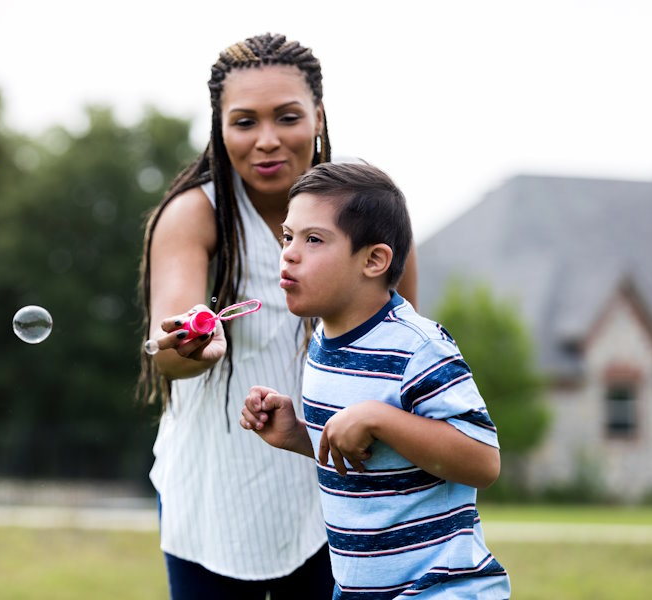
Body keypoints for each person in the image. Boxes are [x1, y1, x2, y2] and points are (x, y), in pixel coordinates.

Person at [137, 34, 417, 599]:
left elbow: (405, 356)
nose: (266, 141)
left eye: (287, 116)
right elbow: (167, 349)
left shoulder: (372, 218)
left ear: (318, 115)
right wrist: (196, 346)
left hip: (334, 494)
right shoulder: (196, 214)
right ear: (219, 128)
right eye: (244, 122)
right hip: (210, 498)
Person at [240, 161, 511, 598]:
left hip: (438, 588)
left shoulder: (417, 346)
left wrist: (379, 418)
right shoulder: (323, 343)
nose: (288, 252)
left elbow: (483, 462)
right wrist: (299, 434)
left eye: (313, 240)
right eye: (287, 237)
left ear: (374, 260)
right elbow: (368, 456)